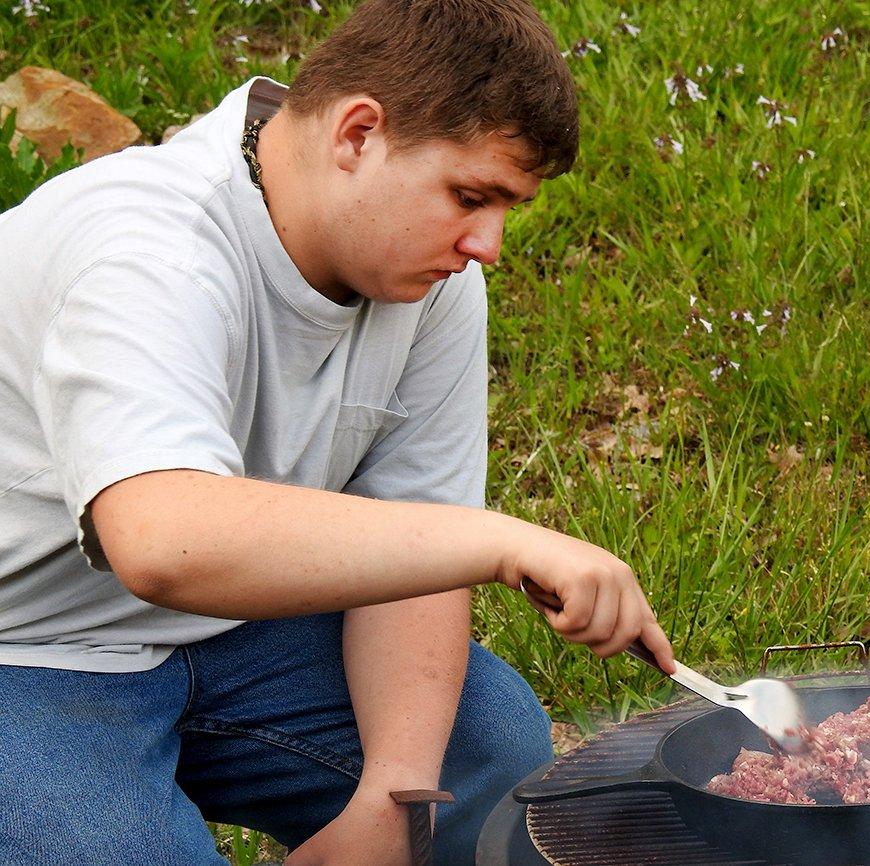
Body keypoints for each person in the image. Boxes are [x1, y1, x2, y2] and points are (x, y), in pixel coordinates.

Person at [0, 1, 675, 864]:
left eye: (508, 207)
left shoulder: (428, 282)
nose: (490, 244)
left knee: (488, 752)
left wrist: (391, 800)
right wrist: (497, 540)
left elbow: (417, 550)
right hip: (28, 646)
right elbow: (161, 540)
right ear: (357, 133)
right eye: (471, 196)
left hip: (225, 634)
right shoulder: (147, 247)